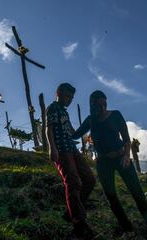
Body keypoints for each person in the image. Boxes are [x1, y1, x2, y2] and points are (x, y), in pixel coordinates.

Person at [73, 90, 147, 239]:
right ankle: (128, 229)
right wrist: (60, 124)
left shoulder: (116, 115)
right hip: (103, 162)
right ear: (92, 105)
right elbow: (75, 135)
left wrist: (127, 156)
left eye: (104, 104)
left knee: (138, 194)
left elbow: (127, 139)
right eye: (98, 105)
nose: (102, 108)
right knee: (111, 197)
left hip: (122, 158)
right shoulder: (90, 120)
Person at [45, 83, 96, 238]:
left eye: (72, 97)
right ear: (58, 93)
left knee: (89, 179)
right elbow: (49, 128)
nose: (70, 100)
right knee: (73, 182)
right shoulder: (53, 108)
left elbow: (72, 131)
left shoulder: (64, 113)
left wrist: (87, 138)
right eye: (68, 96)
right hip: (61, 150)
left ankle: (70, 211)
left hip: (73, 149)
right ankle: (78, 222)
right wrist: (52, 148)